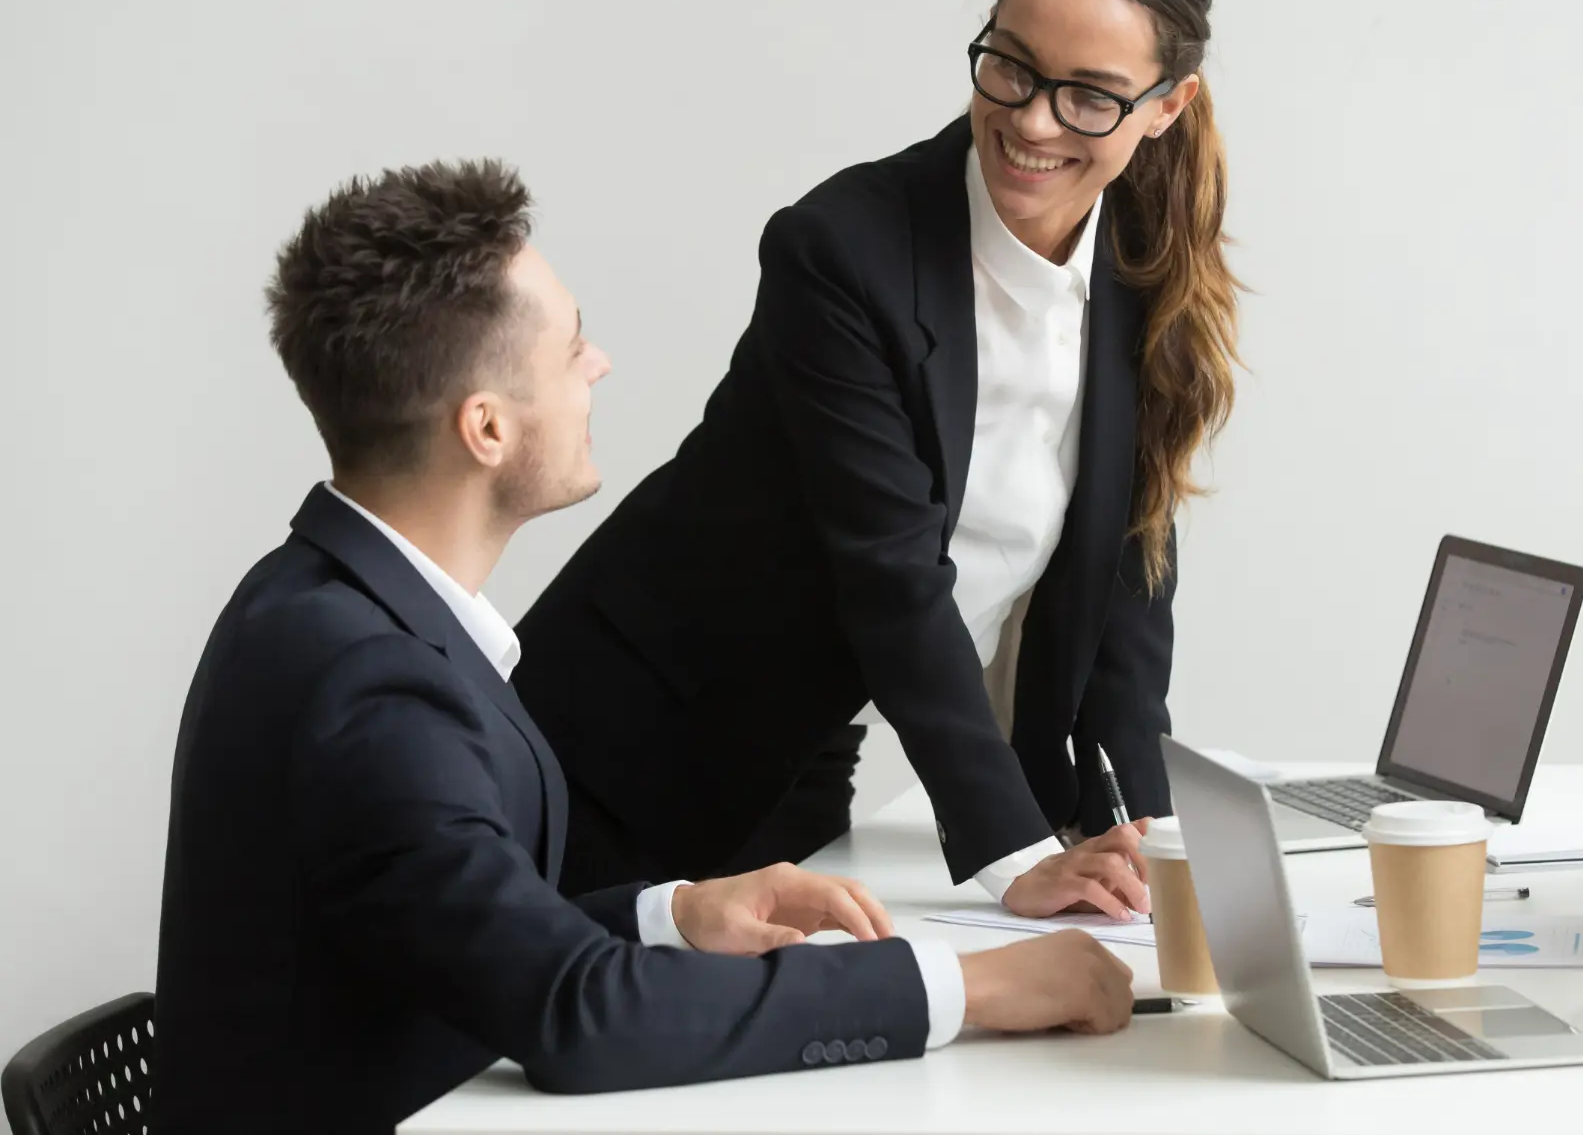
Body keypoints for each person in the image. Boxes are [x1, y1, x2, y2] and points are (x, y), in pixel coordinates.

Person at [153, 162, 1134, 1135]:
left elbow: (470, 940)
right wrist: (966, 990)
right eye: (570, 347)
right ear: (486, 428)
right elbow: (577, 1013)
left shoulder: (336, 607)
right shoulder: (371, 683)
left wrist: (674, 914)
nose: (598, 366)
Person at [513, 0, 1241, 917]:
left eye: (1089, 97)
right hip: (629, 734)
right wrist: (1018, 852)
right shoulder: (843, 252)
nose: (1032, 121)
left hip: (802, 740)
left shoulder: (1143, 266)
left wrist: (1141, 836)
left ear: (1165, 106)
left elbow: (1127, 573)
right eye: (1012, 68)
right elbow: (891, 575)